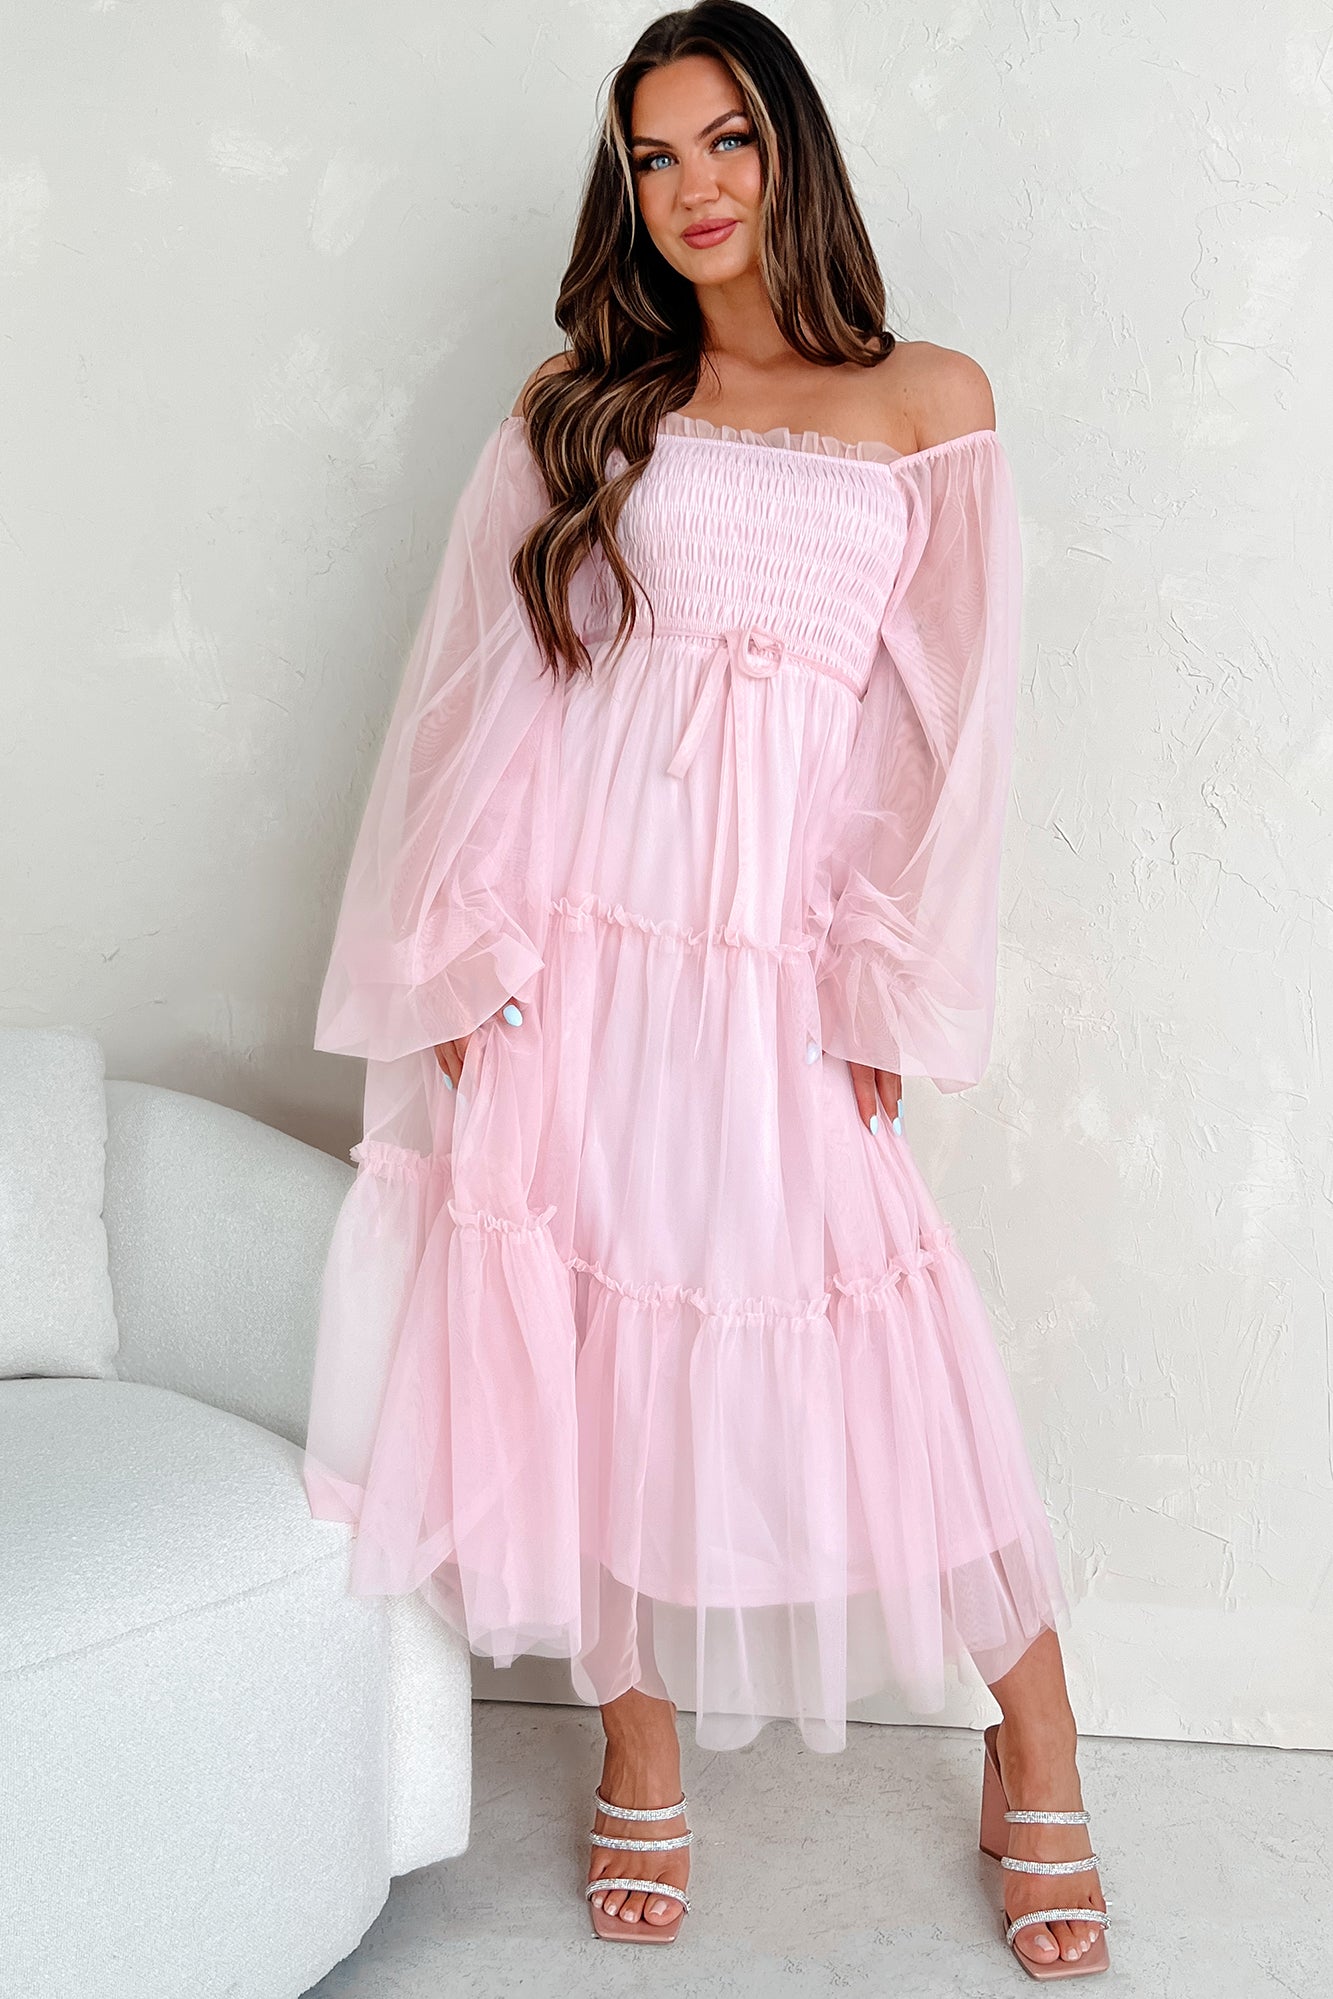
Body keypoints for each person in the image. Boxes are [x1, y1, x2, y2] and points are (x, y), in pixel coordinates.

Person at [302, 0, 1111, 1975]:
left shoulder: (928, 401)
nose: (692, 188)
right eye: (652, 157)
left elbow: (945, 742)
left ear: (789, 149)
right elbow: (476, 697)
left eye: (725, 139)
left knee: (884, 1346)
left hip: (768, 958)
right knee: (583, 1344)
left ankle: (1038, 1749)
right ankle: (637, 1747)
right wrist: (459, 951)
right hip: (571, 947)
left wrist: (877, 987)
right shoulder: (585, 401)